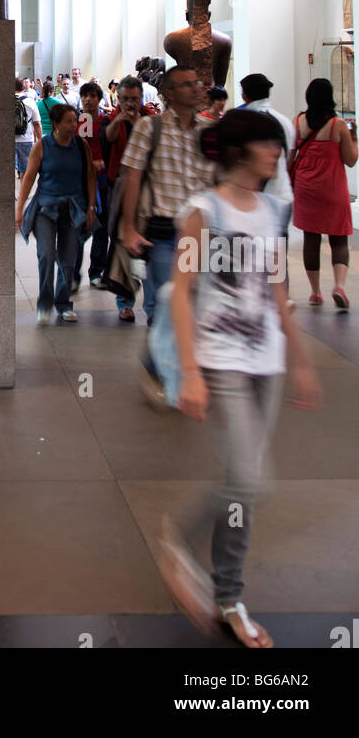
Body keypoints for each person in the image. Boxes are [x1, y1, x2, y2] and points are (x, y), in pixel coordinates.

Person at [160, 110, 321, 648]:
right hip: (220, 359)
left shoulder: (275, 210)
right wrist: (189, 372)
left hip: (265, 362)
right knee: (250, 481)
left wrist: (299, 359)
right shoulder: (202, 212)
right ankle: (179, 539)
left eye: (278, 145)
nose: (277, 153)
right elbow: (180, 292)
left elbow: (276, 290)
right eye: (267, 144)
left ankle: (228, 597)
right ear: (239, 150)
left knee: (244, 488)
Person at [119, 67, 215, 401]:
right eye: (186, 85)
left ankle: (178, 366)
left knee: (191, 303)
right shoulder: (150, 128)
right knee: (165, 303)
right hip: (162, 231)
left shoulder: (210, 131)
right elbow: (133, 176)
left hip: (199, 235)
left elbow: (217, 182)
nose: (194, 89)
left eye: (197, 83)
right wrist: (128, 227)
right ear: (169, 93)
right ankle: (157, 367)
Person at [16, 102, 97, 325]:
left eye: (75, 120)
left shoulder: (81, 146)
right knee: (46, 255)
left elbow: (90, 177)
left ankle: (63, 304)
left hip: (73, 209)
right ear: (56, 124)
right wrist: (20, 208)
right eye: (69, 121)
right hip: (45, 209)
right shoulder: (42, 146)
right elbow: (29, 178)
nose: (74, 125)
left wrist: (91, 207)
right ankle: (44, 304)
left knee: (68, 259)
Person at [291, 78, 357, 310]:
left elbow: (290, 159)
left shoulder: (298, 122)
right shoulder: (338, 124)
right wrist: (354, 136)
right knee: (339, 238)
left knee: (311, 237)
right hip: (333, 188)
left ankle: (315, 292)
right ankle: (338, 286)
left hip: (306, 188)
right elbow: (350, 160)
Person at [101, 75, 151, 322]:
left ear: (141, 98)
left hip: (147, 190)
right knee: (122, 243)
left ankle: (152, 304)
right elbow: (107, 138)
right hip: (119, 188)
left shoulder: (150, 120)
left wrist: (139, 120)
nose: (130, 103)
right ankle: (125, 301)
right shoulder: (111, 118)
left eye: (134, 99)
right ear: (117, 98)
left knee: (149, 243)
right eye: (125, 99)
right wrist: (120, 118)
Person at [238, 74, 293, 203]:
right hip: (282, 195)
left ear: (244, 96)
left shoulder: (245, 122)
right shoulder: (285, 121)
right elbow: (288, 158)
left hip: (256, 199)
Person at [74, 81, 108, 291]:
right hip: (80, 183)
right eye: (85, 95)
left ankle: (96, 272)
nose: (88, 99)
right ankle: (73, 275)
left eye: (92, 96)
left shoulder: (105, 122)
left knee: (101, 230)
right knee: (77, 230)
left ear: (99, 99)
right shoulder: (76, 121)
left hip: (103, 182)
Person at [14, 76, 42, 179]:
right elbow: (37, 124)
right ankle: (23, 193)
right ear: (24, 87)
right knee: (25, 169)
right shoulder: (30, 102)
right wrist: (40, 140)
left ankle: (13, 193)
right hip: (26, 139)